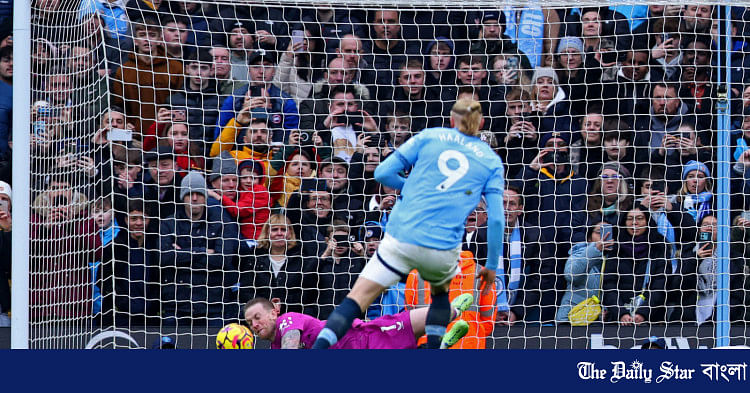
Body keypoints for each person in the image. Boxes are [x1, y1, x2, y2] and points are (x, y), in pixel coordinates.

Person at [312, 99, 505, 349]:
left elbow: (381, 174)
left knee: (356, 300)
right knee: (440, 299)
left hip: (403, 233)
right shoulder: (490, 161)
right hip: (440, 242)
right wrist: (490, 265)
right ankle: (436, 347)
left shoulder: (430, 136)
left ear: (450, 120)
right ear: (481, 124)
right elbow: (497, 219)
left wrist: (413, 188)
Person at [245, 296, 473, 349]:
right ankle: (442, 345)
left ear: (275, 312)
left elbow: (291, 344)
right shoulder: (274, 346)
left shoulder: (287, 321)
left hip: (365, 336)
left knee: (418, 319)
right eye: (249, 323)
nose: (254, 324)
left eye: (257, 317)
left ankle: (454, 309)